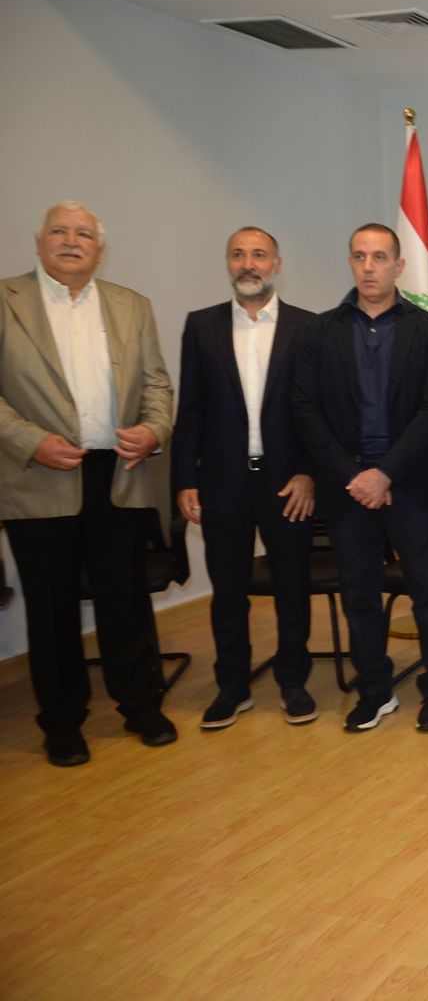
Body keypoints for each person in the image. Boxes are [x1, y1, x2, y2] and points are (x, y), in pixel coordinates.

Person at [0, 201, 176, 766]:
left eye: (83, 234)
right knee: (51, 608)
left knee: (125, 598)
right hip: (39, 475)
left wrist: (153, 430)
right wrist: (32, 441)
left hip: (117, 472)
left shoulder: (131, 305)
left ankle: (140, 704)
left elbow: (157, 384)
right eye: (59, 231)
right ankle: (62, 721)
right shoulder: (7, 301)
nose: (71, 241)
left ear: (99, 249)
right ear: (39, 242)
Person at [292, 223, 428, 732]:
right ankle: (375, 691)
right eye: (360, 257)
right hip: (348, 489)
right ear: (350, 263)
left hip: (413, 483)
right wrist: (355, 476)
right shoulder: (319, 332)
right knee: (359, 595)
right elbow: (305, 410)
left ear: (398, 266)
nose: (369, 267)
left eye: (380, 257)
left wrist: (385, 473)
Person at [172, 227, 319, 729]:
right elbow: (190, 409)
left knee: (292, 588)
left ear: (277, 265)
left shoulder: (307, 327)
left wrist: (308, 472)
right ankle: (232, 687)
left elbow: (319, 412)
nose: (248, 263)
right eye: (238, 254)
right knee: (228, 592)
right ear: (228, 263)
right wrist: (184, 479)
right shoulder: (202, 326)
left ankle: (293, 682)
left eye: (259, 255)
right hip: (222, 482)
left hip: (287, 484)